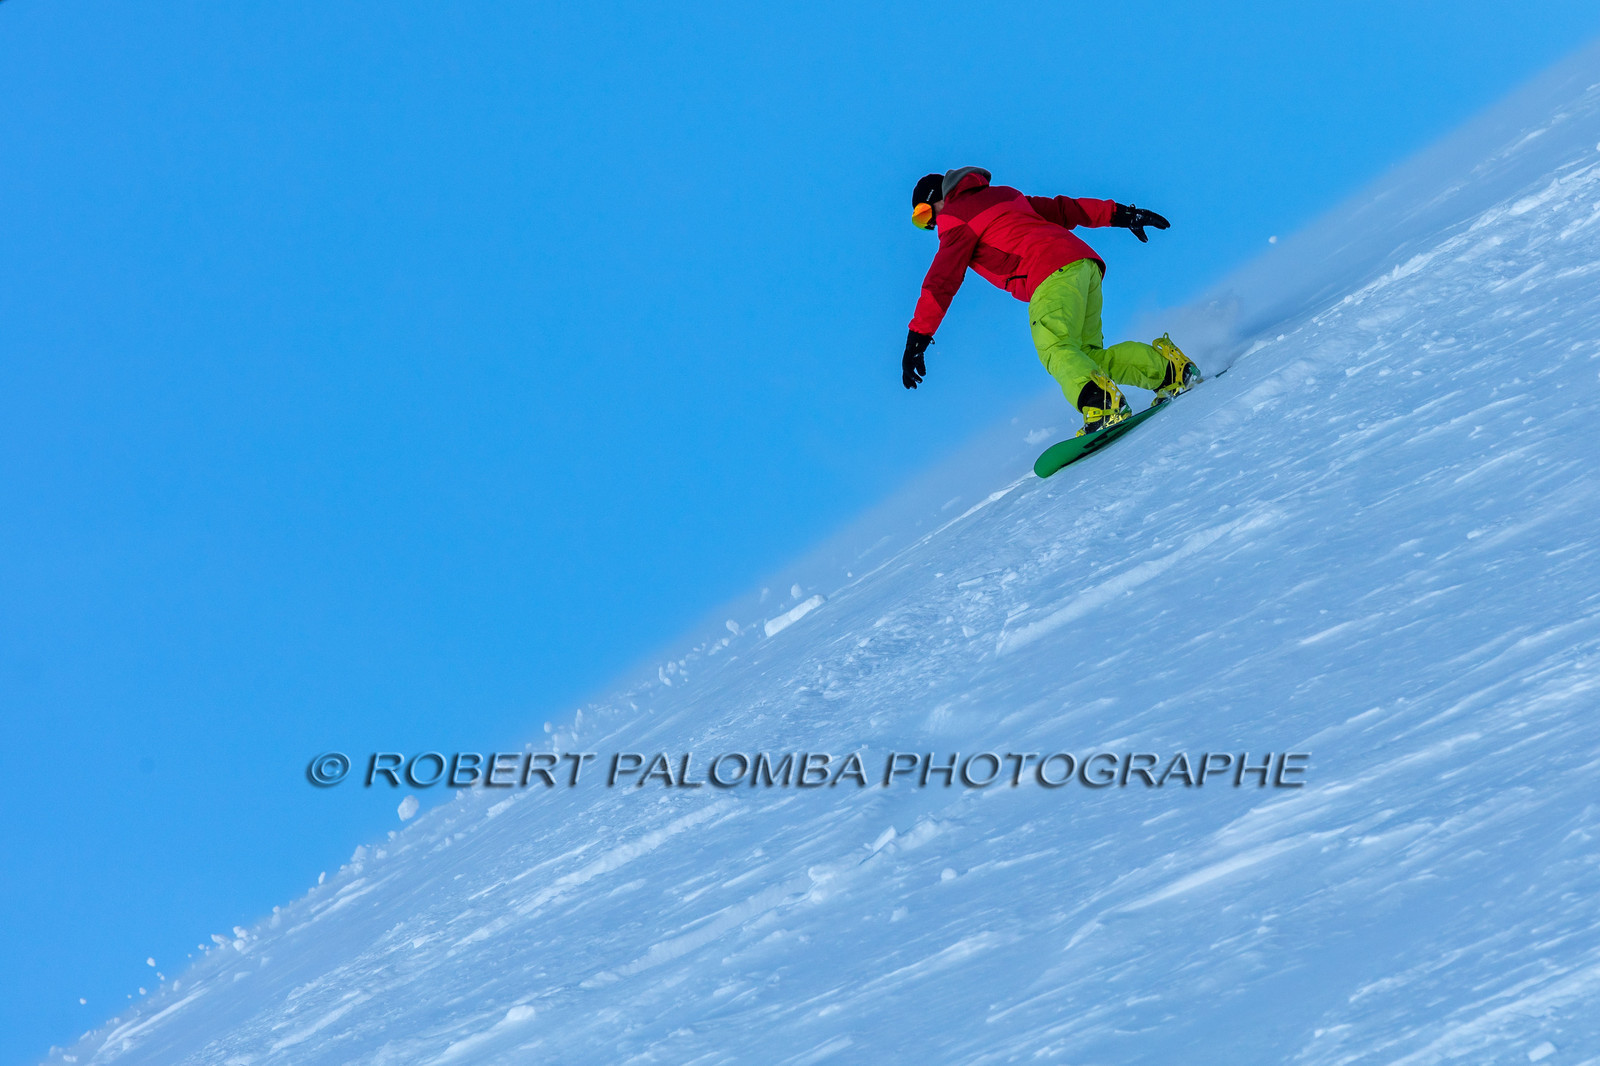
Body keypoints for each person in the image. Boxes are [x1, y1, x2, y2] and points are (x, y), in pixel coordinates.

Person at [902, 167, 1198, 435]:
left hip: (1049, 273)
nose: (930, 227)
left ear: (939, 199)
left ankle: (1102, 404)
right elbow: (1064, 209)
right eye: (921, 223)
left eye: (925, 216)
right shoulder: (1005, 196)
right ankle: (1169, 371)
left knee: (1055, 347)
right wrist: (1121, 214)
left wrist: (918, 337)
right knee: (1086, 356)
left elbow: (941, 282)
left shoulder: (954, 217)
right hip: (1084, 267)